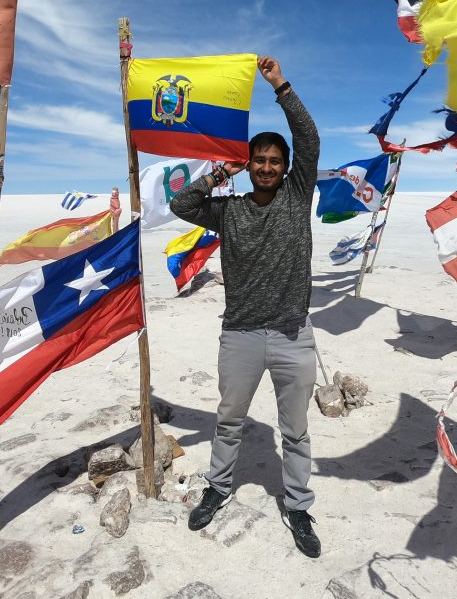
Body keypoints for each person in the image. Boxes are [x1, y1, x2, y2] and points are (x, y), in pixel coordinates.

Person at [170, 55, 321, 558]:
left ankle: (298, 506)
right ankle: (218, 487)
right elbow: (181, 206)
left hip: (292, 334)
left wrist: (280, 85)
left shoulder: (298, 197)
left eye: (275, 161)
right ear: (249, 164)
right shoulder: (229, 210)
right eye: (259, 160)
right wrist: (216, 175)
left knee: (295, 429)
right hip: (239, 335)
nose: (267, 167)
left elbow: (310, 139)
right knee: (229, 419)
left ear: (285, 169)